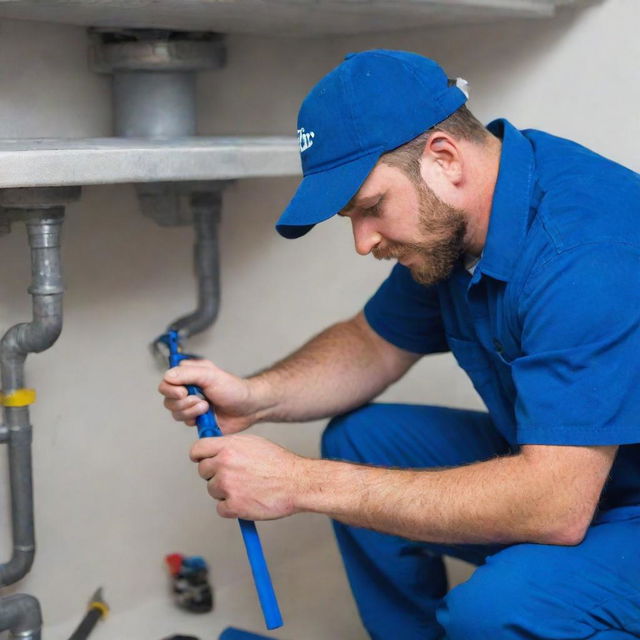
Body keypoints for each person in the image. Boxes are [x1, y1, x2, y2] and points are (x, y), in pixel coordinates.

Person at [158, 50, 640, 639]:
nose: (364, 242)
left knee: (494, 608)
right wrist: (253, 396)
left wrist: (301, 483)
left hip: (593, 492)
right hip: (583, 468)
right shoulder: (461, 230)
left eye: (371, 208)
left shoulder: (583, 256)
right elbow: (372, 344)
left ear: (443, 157)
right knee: (360, 441)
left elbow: (554, 505)